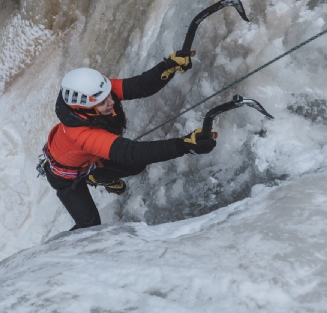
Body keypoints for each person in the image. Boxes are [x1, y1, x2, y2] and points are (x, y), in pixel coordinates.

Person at [40, 51, 217, 231]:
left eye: (109, 95)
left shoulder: (96, 95)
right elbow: (132, 153)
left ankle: (96, 176)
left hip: (90, 160)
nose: (111, 102)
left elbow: (139, 86)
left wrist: (168, 66)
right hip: (65, 179)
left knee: (136, 167)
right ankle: (58, 253)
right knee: (89, 226)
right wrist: (185, 144)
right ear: (86, 109)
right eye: (102, 103)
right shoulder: (81, 134)